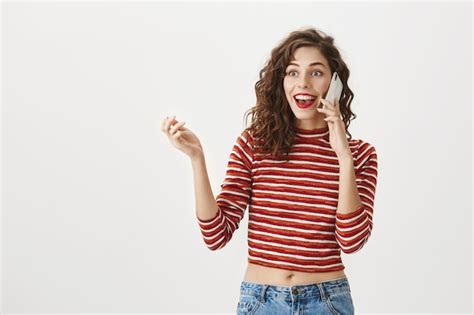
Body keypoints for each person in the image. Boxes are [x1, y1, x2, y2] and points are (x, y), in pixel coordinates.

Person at [161, 27, 378, 315]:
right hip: (261, 302)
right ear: (280, 81)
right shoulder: (253, 144)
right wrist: (197, 159)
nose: (303, 83)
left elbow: (351, 241)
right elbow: (216, 235)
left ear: (334, 81)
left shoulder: (360, 155)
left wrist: (344, 158)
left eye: (316, 73)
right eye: (292, 72)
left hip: (327, 302)